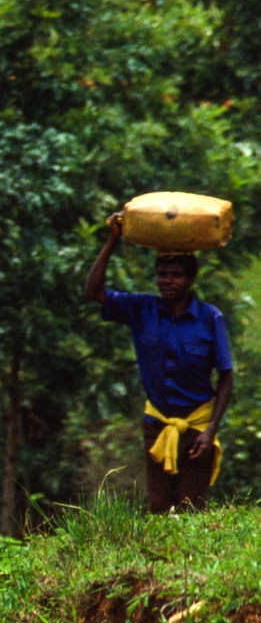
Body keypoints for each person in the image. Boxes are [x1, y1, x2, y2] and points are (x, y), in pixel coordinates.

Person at [83, 214, 234, 513]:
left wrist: (211, 430)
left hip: (197, 424)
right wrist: (112, 238)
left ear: (190, 280)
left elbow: (226, 376)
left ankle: (193, 560)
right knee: (158, 506)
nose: (167, 281)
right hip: (157, 423)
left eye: (175, 275)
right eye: (162, 274)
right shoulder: (142, 308)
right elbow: (93, 291)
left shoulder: (209, 317)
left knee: (192, 508)